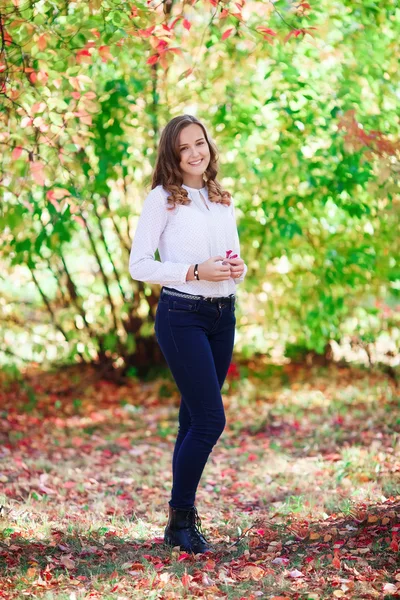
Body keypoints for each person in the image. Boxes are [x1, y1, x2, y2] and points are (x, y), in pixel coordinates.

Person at [129, 114, 247, 554]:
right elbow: (139, 265)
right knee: (211, 420)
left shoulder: (220, 197)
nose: (196, 152)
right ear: (172, 155)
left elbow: (233, 256)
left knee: (192, 420)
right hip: (182, 315)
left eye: (201, 143)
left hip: (223, 315)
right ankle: (181, 516)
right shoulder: (163, 199)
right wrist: (194, 271)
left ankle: (180, 524)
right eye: (185, 148)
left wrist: (238, 268)